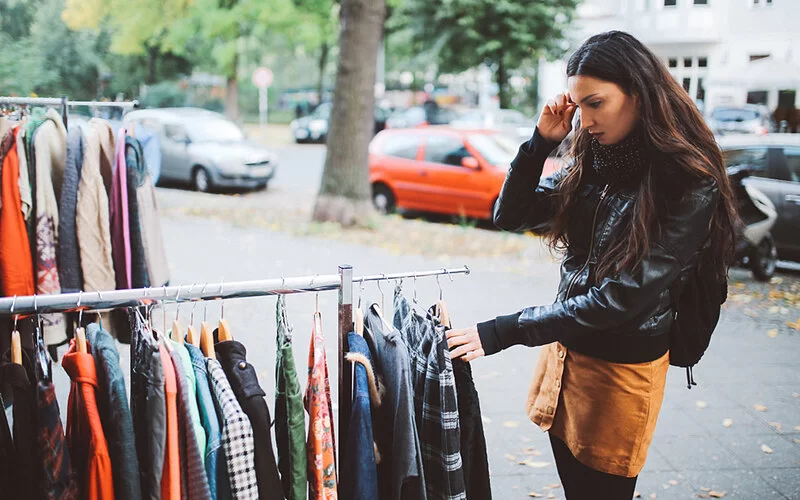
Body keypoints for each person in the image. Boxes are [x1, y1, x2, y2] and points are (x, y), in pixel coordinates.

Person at [446, 31, 739, 499]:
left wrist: (502, 331)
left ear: (639, 95)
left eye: (596, 103)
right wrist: (540, 143)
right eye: (579, 105)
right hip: (564, 349)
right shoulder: (594, 159)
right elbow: (509, 215)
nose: (585, 119)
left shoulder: (687, 181)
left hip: (621, 369)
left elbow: (624, 298)